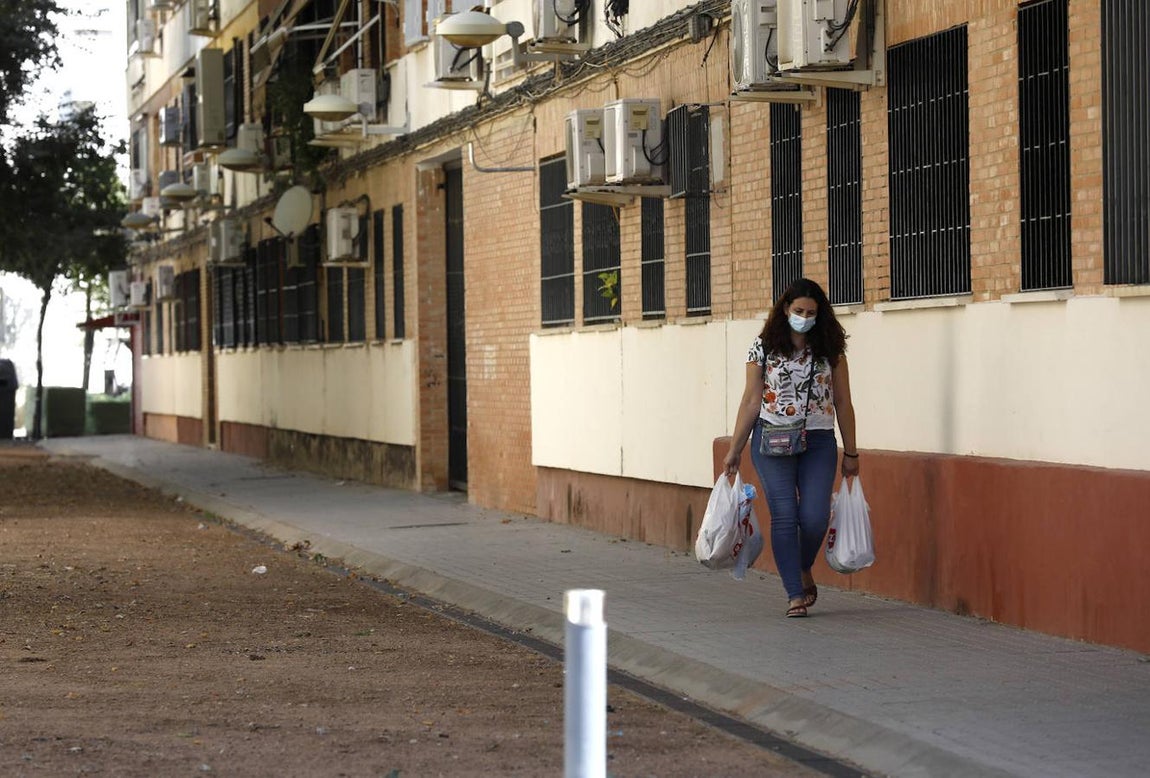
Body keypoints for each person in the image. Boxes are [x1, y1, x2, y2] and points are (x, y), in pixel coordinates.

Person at [723, 278, 859, 618]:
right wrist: (735, 448)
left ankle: (801, 565)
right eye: (798, 310)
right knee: (785, 515)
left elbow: (843, 402)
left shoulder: (830, 348)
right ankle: (794, 594)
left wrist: (852, 453)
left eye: (811, 312)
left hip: (818, 441)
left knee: (814, 518)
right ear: (785, 309)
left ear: (820, 314)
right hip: (772, 440)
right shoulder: (763, 347)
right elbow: (752, 400)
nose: (804, 317)